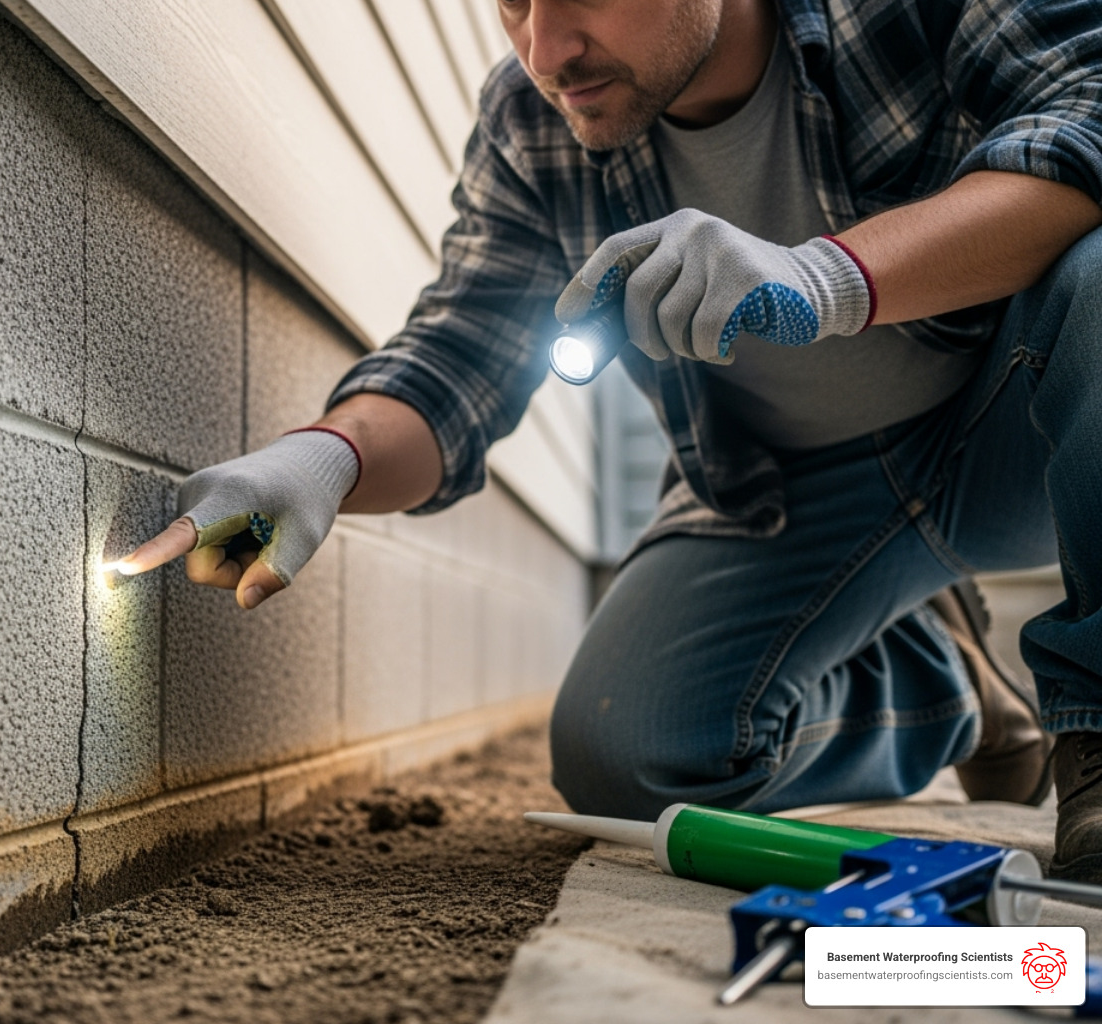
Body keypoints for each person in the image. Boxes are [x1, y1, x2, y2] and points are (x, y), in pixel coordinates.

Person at [116, 0, 1102, 879]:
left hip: (1014, 423)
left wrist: (824, 279)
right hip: (788, 489)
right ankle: (950, 685)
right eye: (510, 4)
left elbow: (1087, 122)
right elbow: (462, 355)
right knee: (628, 760)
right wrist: (325, 460)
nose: (545, 49)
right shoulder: (531, 120)